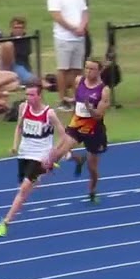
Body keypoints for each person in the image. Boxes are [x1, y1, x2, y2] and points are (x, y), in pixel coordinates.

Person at [0, 84, 79, 237]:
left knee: (23, 190)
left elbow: (63, 135)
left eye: (32, 95)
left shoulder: (49, 114)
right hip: (24, 153)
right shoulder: (23, 107)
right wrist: (14, 146)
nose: (29, 98)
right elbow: (19, 128)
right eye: (27, 94)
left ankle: (5, 222)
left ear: (39, 96)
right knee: (25, 186)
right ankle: (41, 173)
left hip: (40, 155)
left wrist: (57, 151)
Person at [41, 58, 110, 204]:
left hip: (94, 130)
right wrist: (72, 101)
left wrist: (89, 106)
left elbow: (98, 115)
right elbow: (77, 98)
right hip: (77, 125)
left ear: (99, 71)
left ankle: (92, 191)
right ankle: (44, 170)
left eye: (92, 69)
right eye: (86, 68)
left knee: (92, 169)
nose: (88, 71)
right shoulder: (79, 80)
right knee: (60, 149)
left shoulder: (104, 90)